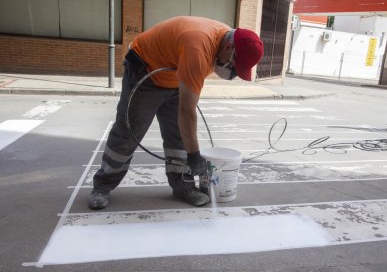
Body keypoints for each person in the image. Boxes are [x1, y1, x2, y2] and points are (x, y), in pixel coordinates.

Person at [89, 16, 264, 210]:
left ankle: (183, 187)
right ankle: (102, 185)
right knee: (127, 135)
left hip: (174, 77)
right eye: (233, 66)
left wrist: (191, 150)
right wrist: (195, 156)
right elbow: (187, 111)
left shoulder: (223, 41)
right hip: (145, 73)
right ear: (229, 47)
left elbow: (186, 111)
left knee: (180, 138)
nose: (230, 72)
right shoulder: (198, 48)